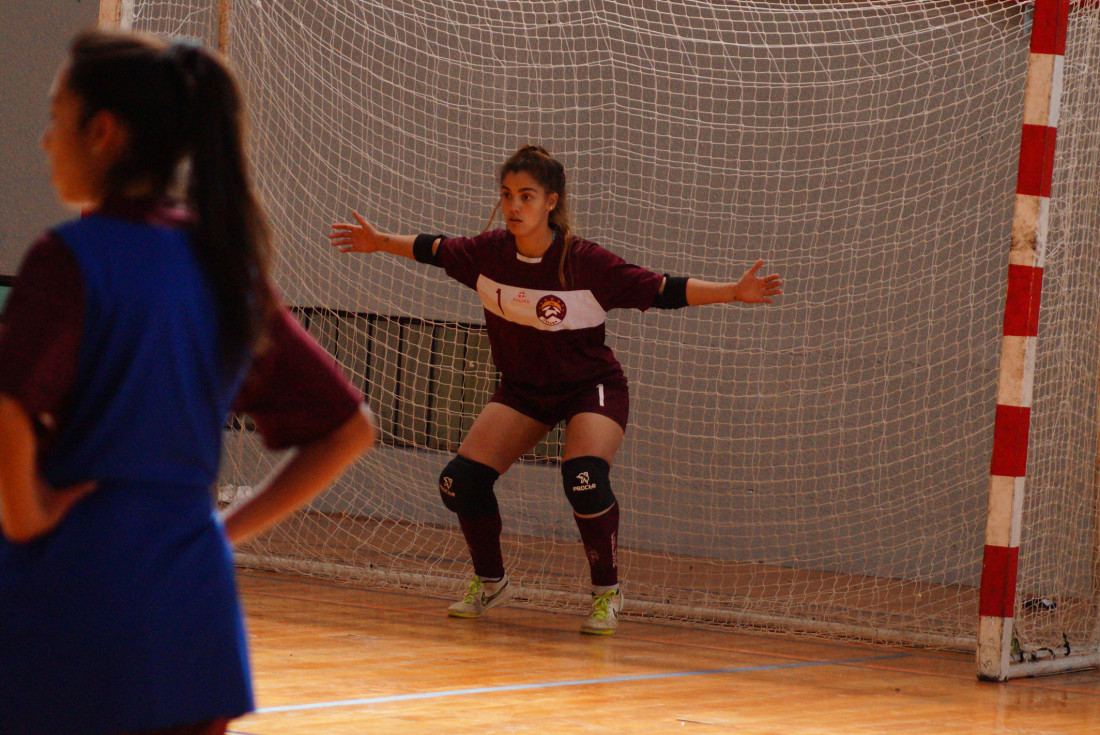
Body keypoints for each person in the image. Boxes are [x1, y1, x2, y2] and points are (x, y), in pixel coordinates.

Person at [0, 29, 377, 735]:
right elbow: (349, 428)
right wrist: (222, 531)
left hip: (77, 585)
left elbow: (7, 405)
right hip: (194, 605)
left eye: (56, 118)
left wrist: (23, 515)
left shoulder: (68, 259)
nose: (46, 140)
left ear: (103, 132)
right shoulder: (227, 267)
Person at [330, 144, 781, 635]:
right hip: (524, 393)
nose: (514, 206)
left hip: (590, 389)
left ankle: (606, 593)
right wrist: (379, 241)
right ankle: (491, 581)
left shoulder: (585, 262)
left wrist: (732, 292)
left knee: (583, 478)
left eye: (527, 196)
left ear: (551, 202)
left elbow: (661, 288)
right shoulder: (486, 254)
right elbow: (432, 247)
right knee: (459, 483)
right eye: (506, 195)